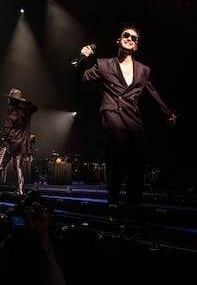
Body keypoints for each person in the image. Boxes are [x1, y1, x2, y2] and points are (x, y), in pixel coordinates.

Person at [71, 26, 177, 208]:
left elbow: (152, 93)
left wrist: (167, 113)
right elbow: (83, 78)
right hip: (112, 115)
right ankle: (113, 203)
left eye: (134, 38)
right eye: (126, 35)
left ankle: (133, 206)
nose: (129, 39)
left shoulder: (143, 70)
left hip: (133, 120)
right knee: (119, 159)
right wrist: (83, 59)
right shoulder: (104, 64)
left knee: (137, 167)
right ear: (118, 40)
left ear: (136, 46)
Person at [0, 88, 38, 195]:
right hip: (21, 144)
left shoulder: (11, 114)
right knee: (19, 167)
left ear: (12, 101)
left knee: (0, 165)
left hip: (10, 144)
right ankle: (21, 190)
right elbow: (34, 108)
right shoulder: (26, 113)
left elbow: (5, 131)